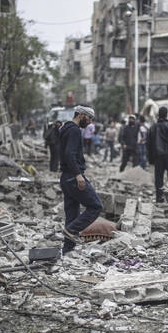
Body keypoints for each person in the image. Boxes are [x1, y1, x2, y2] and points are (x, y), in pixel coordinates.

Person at [58, 105, 103, 254]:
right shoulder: (74, 131)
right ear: (81, 115)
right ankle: (71, 230)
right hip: (72, 177)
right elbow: (69, 154)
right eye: (89, 118)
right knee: (96, 206)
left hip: (65, 177)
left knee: (72, 214)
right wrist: (78, 175)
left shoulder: (65, 129)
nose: (90, 122)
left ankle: (67, 250)